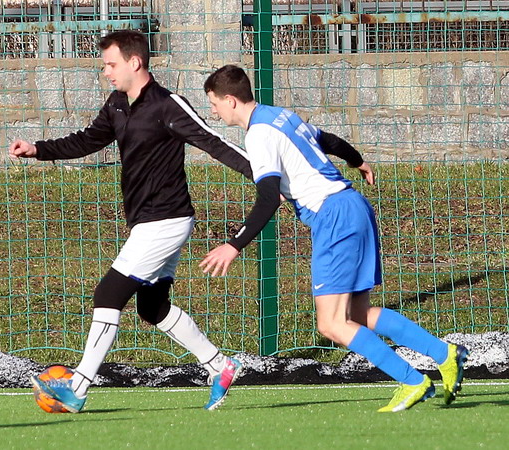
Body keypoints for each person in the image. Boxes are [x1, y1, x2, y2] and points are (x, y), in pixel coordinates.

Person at [199, 64, 469, 412]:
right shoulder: (280, 115)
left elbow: (267, 198)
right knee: (358, 314)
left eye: (214, 104)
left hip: (334, 217)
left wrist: (233, 245)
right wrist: (357, 160)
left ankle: (413, 381)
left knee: (331, 323)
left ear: (231, 101)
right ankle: (444, 354)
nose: (214, 112)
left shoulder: (258, 134)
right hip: (353, 207)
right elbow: (327, 140)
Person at [9, 32, 253, 412]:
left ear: (134, 62)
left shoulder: (167, 105)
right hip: (147, 222)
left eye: (111, 64)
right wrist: (38, 149)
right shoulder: (117, 104)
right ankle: (219, 365)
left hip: (167, 219)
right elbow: (87, 140)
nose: (106, 72)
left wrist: (265, 177)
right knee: (152, 307)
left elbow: (212, 142)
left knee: (108, 294)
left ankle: (77, 387)